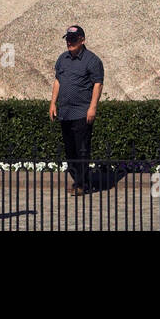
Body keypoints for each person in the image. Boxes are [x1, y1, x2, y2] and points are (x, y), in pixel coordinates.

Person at [49, 24, 104, 195]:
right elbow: (58, 81)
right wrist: (52, 103)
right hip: (65, 112)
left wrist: (93, 107)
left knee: (82, 149)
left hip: (82, 111)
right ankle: (79, 180)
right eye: (68, 39)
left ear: (82, 40)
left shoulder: (92, 60)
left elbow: (98, 83)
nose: (69, 43)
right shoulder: (62, 59)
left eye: (73, 39)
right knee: (70, 149)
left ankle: (81, 184)